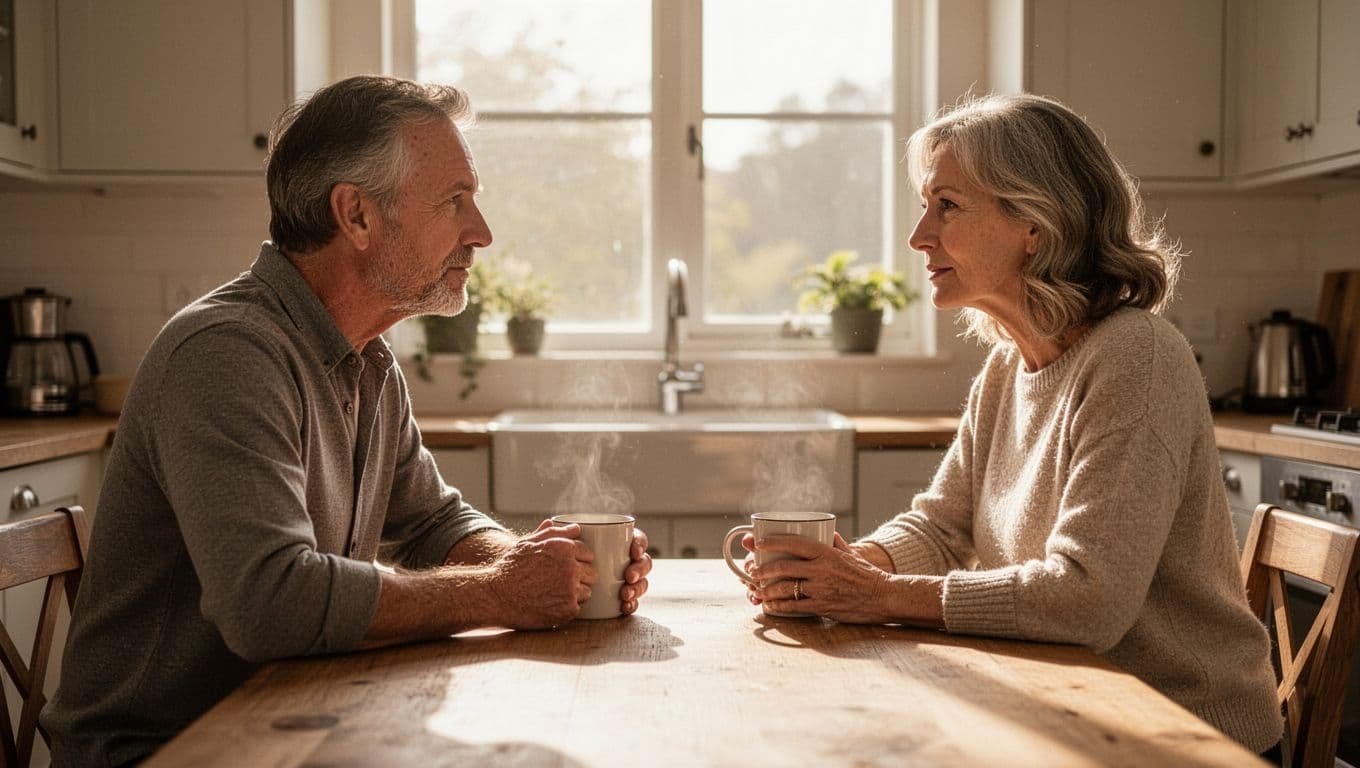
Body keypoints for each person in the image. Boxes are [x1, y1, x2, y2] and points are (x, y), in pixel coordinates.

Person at [41, 75, 653, 766]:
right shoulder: (226, 355)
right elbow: (270, 603)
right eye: (454, 202)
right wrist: (500, 591)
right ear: (356, 216)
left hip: (289, 722)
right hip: (163, 752)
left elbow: (431, 523)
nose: (481, 233)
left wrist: (532, 562)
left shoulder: (365, 360)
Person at [739, 93, 1282, 754]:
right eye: (924, 205)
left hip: (1180, 733)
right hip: (1070, 706)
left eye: (948, 206)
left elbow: (1089, 600)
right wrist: (851, 566)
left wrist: (880, 596)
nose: (919, 237)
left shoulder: (1137, 358)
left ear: (1035, 223)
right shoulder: (1007, 367)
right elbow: (943, 526)